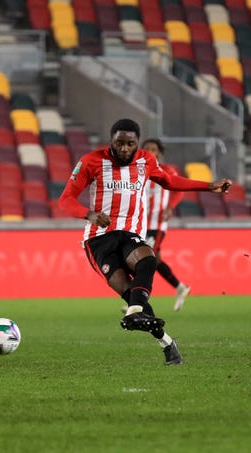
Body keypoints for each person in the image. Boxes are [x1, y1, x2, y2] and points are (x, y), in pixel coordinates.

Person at [58, 118, 231, 366]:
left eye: (130, 143)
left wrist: (209, 186)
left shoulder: (146, 161)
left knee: (148, 259)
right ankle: (168, 343)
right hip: (98, 240)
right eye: (120, 143)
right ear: (111, 141)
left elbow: (170, 181)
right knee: (129, 296)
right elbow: (65, 200)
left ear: (137, 143)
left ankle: (136, 313)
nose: (125, 148)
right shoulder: (90, 161)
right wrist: (89, 214)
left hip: (129, 233)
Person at [142, 138, 191, 311]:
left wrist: (170, 207)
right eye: (146, 149)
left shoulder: (167, 171)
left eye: (153, 149)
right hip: (139, 223)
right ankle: (180, 287)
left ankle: (138, 301)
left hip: (157, 223)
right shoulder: (137, 171)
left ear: (159, 153)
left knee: (145, 258)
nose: (150, 152)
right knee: (154, 260)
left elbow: (178, 190)